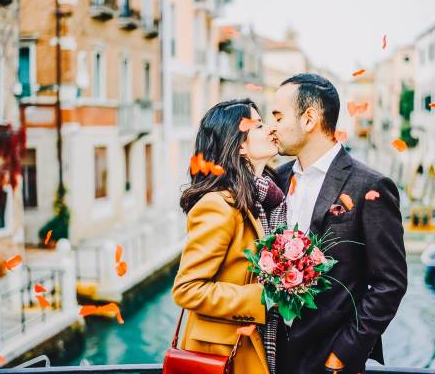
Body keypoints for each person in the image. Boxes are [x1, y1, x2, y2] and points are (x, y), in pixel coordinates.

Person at [271, 73, 408, 374]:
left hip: (331, 360)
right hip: (271, 357)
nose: (273, 127)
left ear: (309, 119)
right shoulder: (276, 180)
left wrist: (343, 354)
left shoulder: (370, 186)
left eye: (279, 117)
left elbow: (390, 283)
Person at [172, 99, 285, 374]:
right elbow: (187, 288)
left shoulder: (269, 199)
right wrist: (262, 296)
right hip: (224, 356)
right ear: (240, 144)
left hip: (257, 345)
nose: (271, 129)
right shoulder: (219, 205)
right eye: (258, 125)